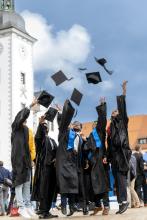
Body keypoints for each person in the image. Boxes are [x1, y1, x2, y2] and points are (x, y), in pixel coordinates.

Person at [56, 99, 88, 216]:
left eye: (75, 125)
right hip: (63, 162)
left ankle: (72, 206)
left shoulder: (77, 136)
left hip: (72, 164)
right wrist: (61, 112)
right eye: (72, 124)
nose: (73, 125)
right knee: (64, 185)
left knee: (72, 185)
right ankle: (64, 205)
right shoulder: (63, 133)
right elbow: (61, 122)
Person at [107, 81, 132, 214]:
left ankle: (124, 201)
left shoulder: (122, 122)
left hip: (122, 155)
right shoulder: (111, 128)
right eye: (113, 111)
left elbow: (122, 108)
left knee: (121, 179)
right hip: (114, 157)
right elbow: (109, 143)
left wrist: (123, 92)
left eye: (116, 111)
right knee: (117, 180)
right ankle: (121, 203)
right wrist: (107, 157)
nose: (115, 111)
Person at [11, 99, 37, 219]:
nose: (24, 121)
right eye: (23, 119)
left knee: (27, 184)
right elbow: (20, 117)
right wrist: (29, 107)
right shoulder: (15, 127)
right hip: (17, 159)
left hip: (26, 159)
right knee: (19, 183)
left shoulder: (27, 130)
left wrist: (31, 159)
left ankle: (27, 206)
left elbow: (29, 146)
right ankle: (21, 207)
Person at [84, 98, 110, 216]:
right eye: (94, 124)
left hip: (100, 160)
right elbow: (86, 149)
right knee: (94, 186)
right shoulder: (91, 136)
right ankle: (98, 206)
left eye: (97, 124)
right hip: (92, 162)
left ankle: (107, 206)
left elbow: (102, 120)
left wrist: (102, 106)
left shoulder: (100, 132)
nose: (95, 125)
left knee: (103, 185)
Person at [32, 116, 58, 219]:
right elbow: (39, 136)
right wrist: (40, 124)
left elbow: (57, 152)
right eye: (44, 126)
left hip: (53, 168)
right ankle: (42, 211)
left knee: (51, 189)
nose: (45, 127)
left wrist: (56, 159)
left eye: (46, 126)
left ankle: (47, 211)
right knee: (44, 189)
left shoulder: (52, 140)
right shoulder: (41, 140)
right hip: (44, 167)